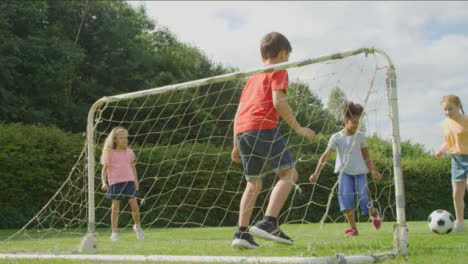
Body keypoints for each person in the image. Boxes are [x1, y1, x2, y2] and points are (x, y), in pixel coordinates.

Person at [231, 32, 316, 249]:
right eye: (287, 56)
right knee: (289, 174)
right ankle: (269, 222)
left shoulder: (251, 78)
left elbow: (239, 112)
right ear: (282, 53)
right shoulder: (278, 70)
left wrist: (235, 144)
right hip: (263, 127)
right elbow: (278, 101)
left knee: (253, 183)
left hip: (243, 131)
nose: (288, 60)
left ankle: (241, 234)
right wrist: (298, 128)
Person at [309, 101, 381, 236]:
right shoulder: (336, 138)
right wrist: (316, 172)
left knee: (364, 199)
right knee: (346, 201)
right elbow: (324, 156)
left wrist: (372, 170)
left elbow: (367, 157)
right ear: (346, 120)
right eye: (354, 122)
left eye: (358, 122)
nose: (356, 125)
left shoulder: (360, 137)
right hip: (344, 174)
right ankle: (353, 229)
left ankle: (373, 212)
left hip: (360, 172)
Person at [101, 127, 144, 242]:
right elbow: (105, 169)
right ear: (114, 139)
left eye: (125, 138)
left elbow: (132, 167)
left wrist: (136, 181)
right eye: (121, 138)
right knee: (115, 207)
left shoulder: (129, 152)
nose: (124, 140)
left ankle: (137, 227)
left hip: (129, 181)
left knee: (134, 205)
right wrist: (104, 182)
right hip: (115, 182)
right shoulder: (109, 153)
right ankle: (114, 232)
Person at [436, 94, 467, 233]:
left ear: (459, 106)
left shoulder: (466, 120)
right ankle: (459, 223)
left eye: (450, 109)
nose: (447, 112)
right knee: (456, 194)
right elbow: (448, 141)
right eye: (445, 109)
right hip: (456, 160)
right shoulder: (443, 124)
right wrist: (441, 151)